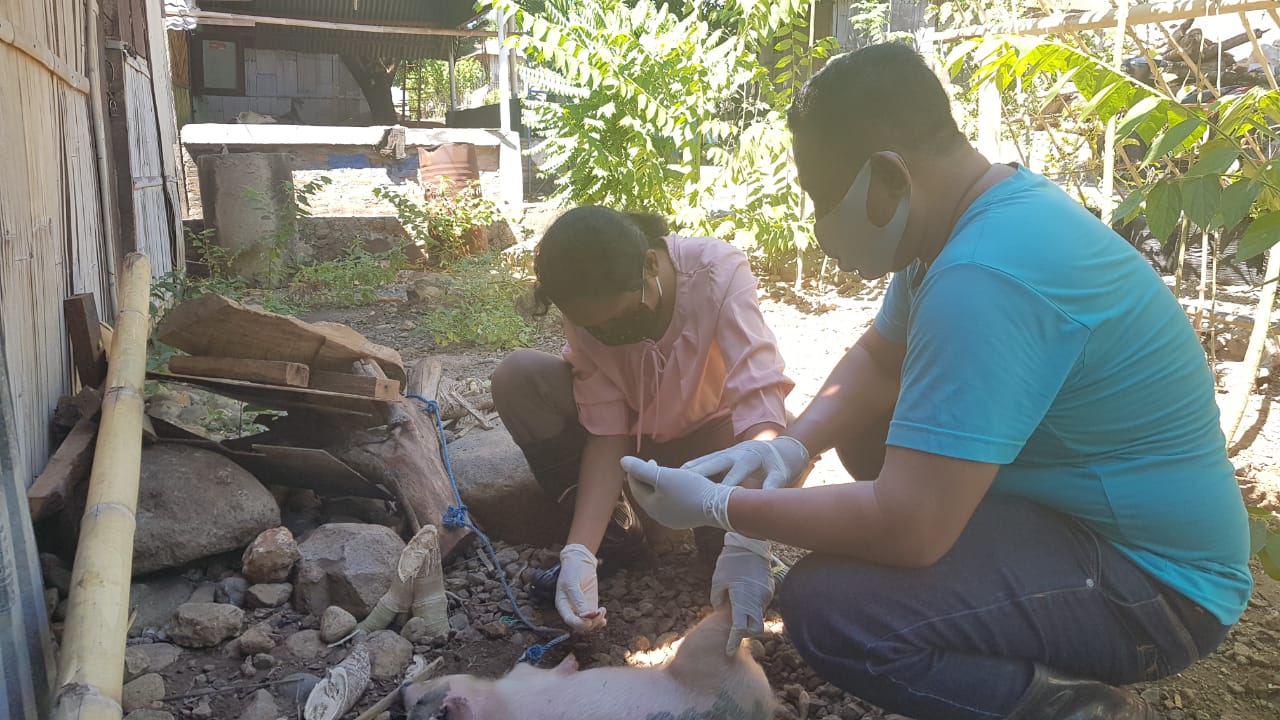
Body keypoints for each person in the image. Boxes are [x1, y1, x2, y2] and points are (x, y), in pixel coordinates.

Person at [620, 43, 1251, 720]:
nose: (816, 220)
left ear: (888, 177)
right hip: (1086, 522)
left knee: (835, 610)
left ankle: (1068, 709)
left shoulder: (984, 276)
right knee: (872, 431)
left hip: (1161, 589)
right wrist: (789, 450)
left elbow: (909, 528)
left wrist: (727, 512)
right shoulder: (968, 222)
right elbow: (878, 360)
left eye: (818, 195)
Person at [490, 206, 795, 647]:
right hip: (635, 448)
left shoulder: (716, 271)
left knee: (787, 436)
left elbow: (759, 397)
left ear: (651, 266)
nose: (611, 333)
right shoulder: (587, 308)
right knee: (516, 374)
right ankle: (617, 533)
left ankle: (730, 538)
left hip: (714, 447)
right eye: (598, 329)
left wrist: (752, 534)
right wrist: (580, 551)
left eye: (620, 319)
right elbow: (607, 428)